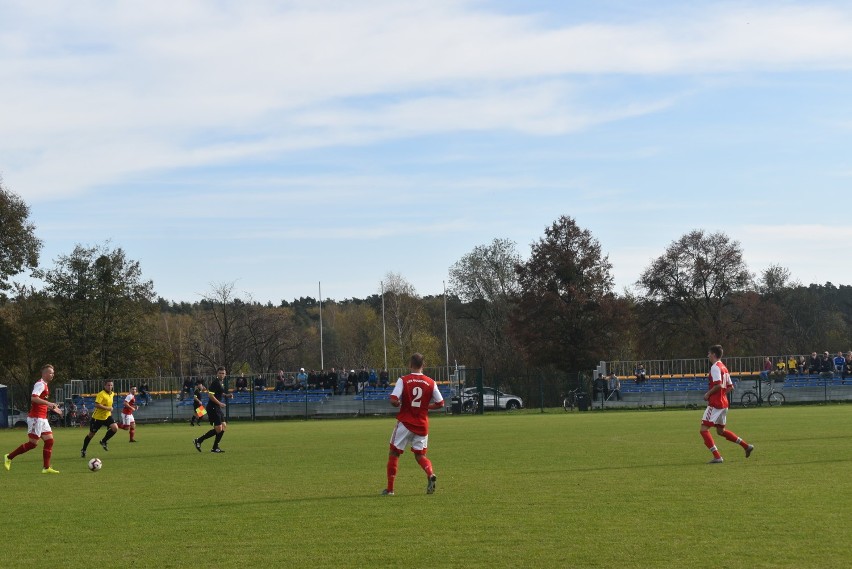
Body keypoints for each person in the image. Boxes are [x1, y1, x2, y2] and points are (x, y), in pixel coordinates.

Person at [381, 353, 444, 496]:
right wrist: (427, 407)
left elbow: (393, 399)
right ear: (424, 365)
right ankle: (430, 473)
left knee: (394, 453)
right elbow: (441, 403)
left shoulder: (403, 380)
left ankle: (390, 489)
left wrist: (397, 403)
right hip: (422, 425)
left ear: (410, 365)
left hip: (405, 423)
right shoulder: (431, 382)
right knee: (420, 455)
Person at [4, 364, 62, 474]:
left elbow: (41, 402)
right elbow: (34, 398)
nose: (52, 375)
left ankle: (46, 468)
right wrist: (49, 403)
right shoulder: (40, 384)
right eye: (50, 373)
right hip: (36, 418)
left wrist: (53, 408)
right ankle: (9, 457)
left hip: (42, 418)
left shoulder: (45, 385)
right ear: (44, 374)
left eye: (53, 373)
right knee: (33, 444)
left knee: (49, 441)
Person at [700, 345, 754, 464]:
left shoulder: (715, 367)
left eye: (709, 353)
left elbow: (718, 385)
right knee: (720, 431)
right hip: (724, 403)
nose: (708, 356)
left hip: (715, 404)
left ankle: (717, 456)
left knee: (703, 430)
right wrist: (722, 395)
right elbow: (730, 387)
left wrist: (708, 394)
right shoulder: (723, 367)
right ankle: (746, 446)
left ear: (714, 354)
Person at [194, 367, 231, 453]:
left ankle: (215, 448)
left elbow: (219, 393)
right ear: (217, 374)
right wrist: (220, 403)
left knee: (224, 426)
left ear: (225, 374)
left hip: (216, 407)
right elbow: (210, 396)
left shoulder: (220, 383)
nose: (222, 375)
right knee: (218, 428)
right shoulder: (215, 382)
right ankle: (199, 440)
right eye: (220, 373)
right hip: (212, 408)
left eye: (223, 373)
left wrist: (227, 395)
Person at [81, 380, 119, 458]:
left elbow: (109, 404)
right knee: (91, 434)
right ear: (104, 386)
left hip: (107, 416)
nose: (110, 387)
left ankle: (103, 441)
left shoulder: (112, 394)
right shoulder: (101, 394)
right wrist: (108, 408)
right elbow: (96, 405)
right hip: (97, 418)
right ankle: (83, 450)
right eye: (108, 385)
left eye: (111, 385)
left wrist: (109, 412)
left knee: (115, 428)